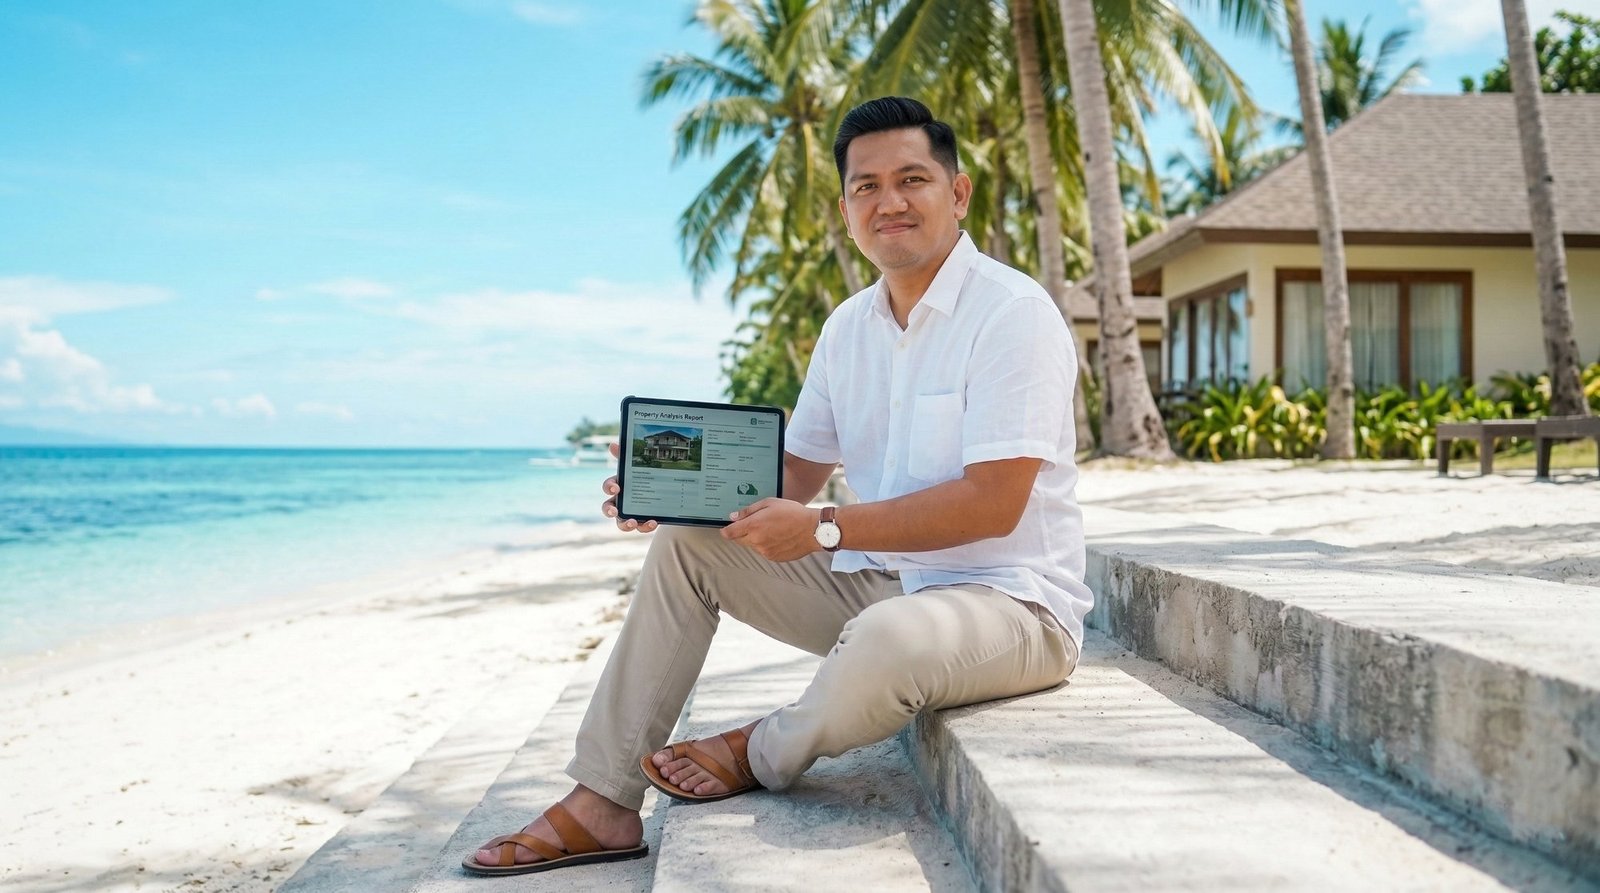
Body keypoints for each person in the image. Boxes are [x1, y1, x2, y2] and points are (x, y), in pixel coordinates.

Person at [464, 96, 1091, 876]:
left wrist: (827, 527)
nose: (888, 201)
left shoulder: (1012, 313)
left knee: (888, 641)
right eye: (866, 186)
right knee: (688, 543)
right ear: (846, 208)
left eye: (912, 179)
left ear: (956, 193)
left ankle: (759, 747)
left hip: (1013, 605)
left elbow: (994, 504)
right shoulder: (847, 328)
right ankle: (604, 799)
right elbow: (793, 475)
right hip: (886, 584)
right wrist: (673, 495)